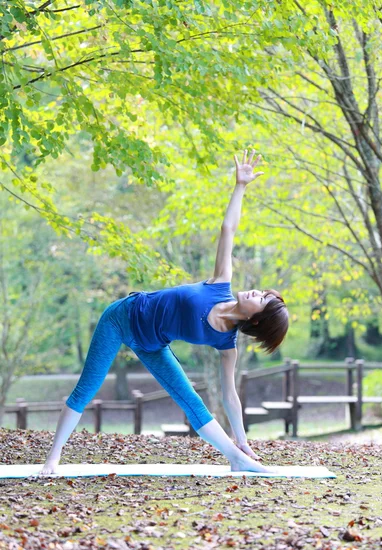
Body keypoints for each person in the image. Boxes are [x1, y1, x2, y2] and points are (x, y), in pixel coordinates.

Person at [39, 149, 289, 476]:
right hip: (121, 319)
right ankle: (51, 460)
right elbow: (228, 230)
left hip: (152, 346)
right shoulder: (220, 283)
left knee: (192, 403)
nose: (257, 291)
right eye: (264, 292)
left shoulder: (227, 345)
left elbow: (230, 395)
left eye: (263, 299)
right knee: (86, 389)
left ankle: (237, 457)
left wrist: (241, 438)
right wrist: (240, 186)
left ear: (256, 320)